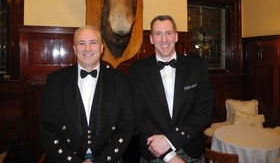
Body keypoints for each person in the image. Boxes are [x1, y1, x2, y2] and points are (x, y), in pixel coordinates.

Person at [39, 25, 133, 163]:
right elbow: (47, 128)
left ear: (102, 48)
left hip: (110, 159)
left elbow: (126, 126)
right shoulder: (55, 81)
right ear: (74, 49)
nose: (87, 48)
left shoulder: (120, 81)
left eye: (93, 42)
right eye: (81, 43)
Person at [129, 15, 214, 163]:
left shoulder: (197, 66)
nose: (164, 39)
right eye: (158, 34)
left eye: (168, 33)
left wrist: (170, 140)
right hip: (154, 150)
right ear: (150, 38)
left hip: (190, 147)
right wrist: (167, 154)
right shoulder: (137, 71)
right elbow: (138, 116)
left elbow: (204, 110)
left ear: (176, 36)